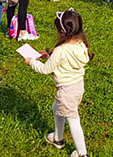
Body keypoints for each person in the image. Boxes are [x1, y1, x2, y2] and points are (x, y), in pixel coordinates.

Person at [25, 8, 92, 157]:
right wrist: (49, 55)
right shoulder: (81, 44)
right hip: (77, 86)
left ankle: (82, 153)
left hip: (66, 90)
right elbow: (66, 59)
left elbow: (45, 69)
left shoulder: (61, 50)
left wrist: (31, 62)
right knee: (56, 108)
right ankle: (57, 138)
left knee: (73, 120)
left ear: (62, 31)